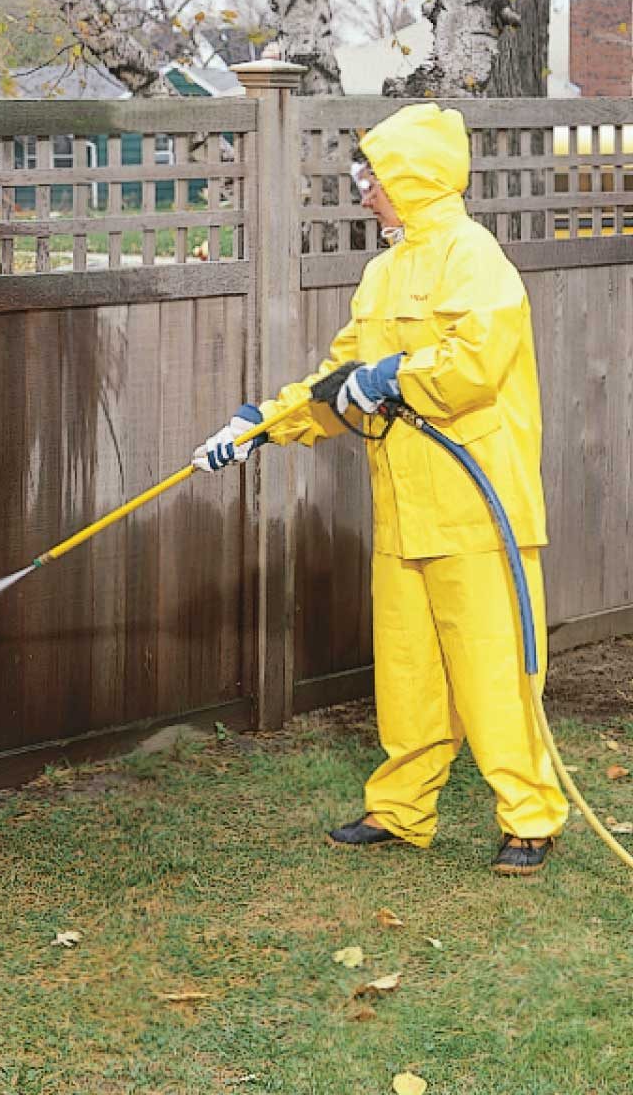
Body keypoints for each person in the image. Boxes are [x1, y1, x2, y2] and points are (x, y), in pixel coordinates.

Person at [194, 102, 568, 876]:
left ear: (413, 179)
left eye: (373, 179)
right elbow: (340, 383)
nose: (364, 194)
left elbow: (473, 364)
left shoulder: (475, 257)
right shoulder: (383, 272)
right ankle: (401, 812)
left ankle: (530, 817)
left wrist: (394, 373)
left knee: (495, 672)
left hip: (476, 509)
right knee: (409, 674)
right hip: (404, 509)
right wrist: (261, 424)